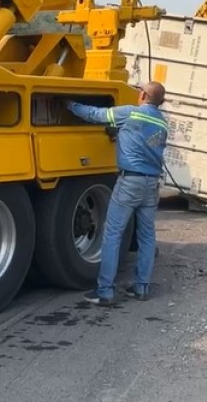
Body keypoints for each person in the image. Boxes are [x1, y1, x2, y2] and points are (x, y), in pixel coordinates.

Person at [66, 81, 169, 307]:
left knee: (113, 234)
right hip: (152, 183)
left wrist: (69, 104)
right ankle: (141, 287)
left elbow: (95, 114)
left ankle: (105, 291)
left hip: (130, 181)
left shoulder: (130, 114)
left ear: (142, 95)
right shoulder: (163, 123)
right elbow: (144, 141)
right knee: (147, 237)